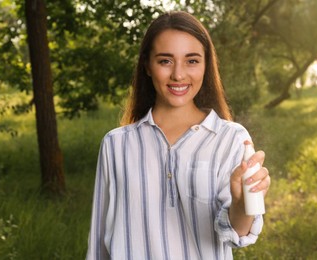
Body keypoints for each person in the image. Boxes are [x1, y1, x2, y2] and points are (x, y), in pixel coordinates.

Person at [86, 11, 270, 260]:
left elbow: (235, 234)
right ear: (147, 66)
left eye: (192, 61)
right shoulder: (116, 145)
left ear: (206, 65)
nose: (179, 74)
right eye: (165, 61)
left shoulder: (230, 139)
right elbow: (99, 242)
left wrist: (241, 202)